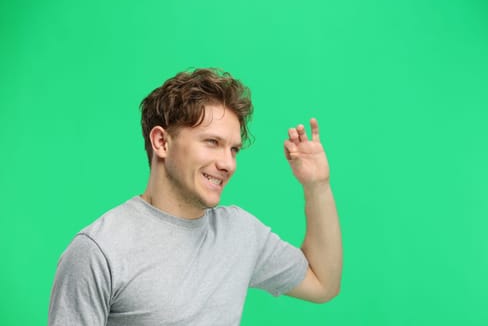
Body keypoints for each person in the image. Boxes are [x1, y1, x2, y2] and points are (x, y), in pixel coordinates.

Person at [48, 68, 342, 325]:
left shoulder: (240, 233)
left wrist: (317, 186)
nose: (228, 163)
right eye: (212, 142)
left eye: (234, 149)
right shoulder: (98, 250)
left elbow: (322, 282)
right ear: (162, 142)